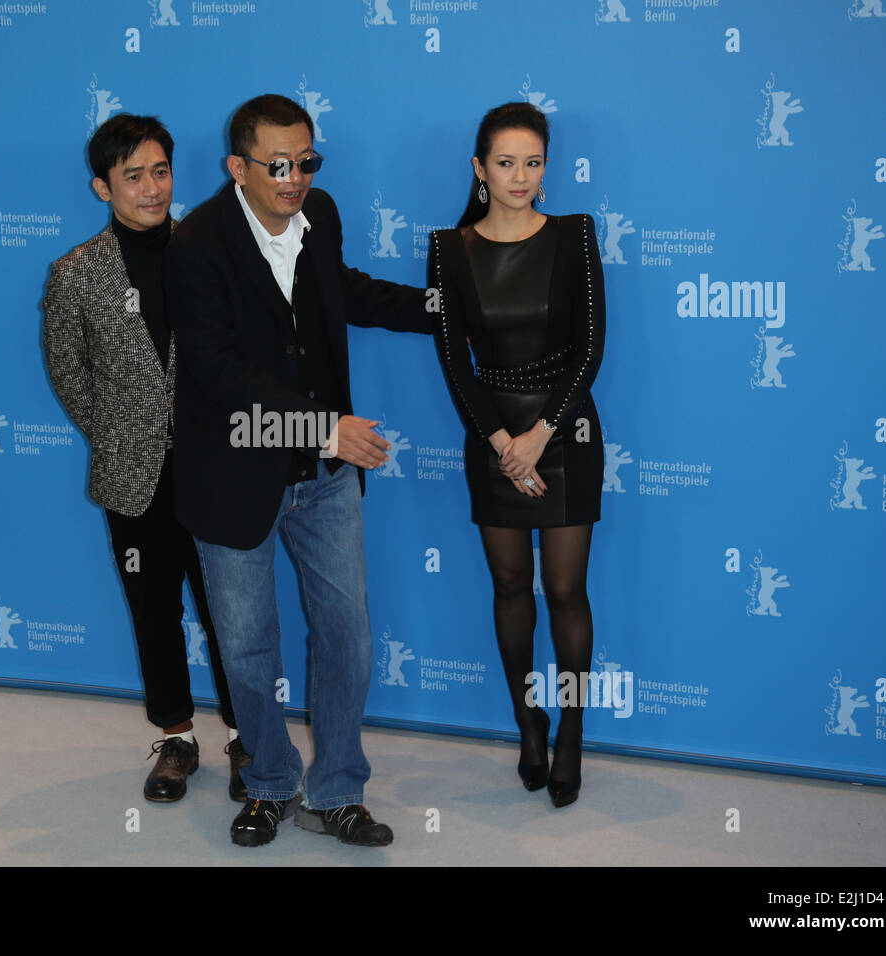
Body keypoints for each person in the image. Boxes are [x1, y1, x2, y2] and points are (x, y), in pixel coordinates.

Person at [166, 94, 431, 847]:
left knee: (347, 634)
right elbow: (218, 371)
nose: (295, 178)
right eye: (278, 165)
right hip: (235, 474)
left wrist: (442, 306)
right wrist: (324, 426)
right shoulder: (197, 244)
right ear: (237, 167)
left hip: (324, 477)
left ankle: (338, 790)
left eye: (307, 162)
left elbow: (339, 290)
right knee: (248, 647)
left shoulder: (323, 217)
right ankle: (272, 783)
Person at [41, 114, 247, 805]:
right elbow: (68, 369)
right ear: (103, 187)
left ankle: (251, 738)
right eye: (134, 176)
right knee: (153, 609)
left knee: (233, 614)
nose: (152, 188)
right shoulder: (75, 274)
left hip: (216, 471)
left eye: (161, 171)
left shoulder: (212, 251)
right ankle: (177, 738)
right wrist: (121, 433)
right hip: (134, 479)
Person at [429, 102, 606, 808]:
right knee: (510, 589)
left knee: (565, 591)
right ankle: (525, 721)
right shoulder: (450, 249)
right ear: (479, 169)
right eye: (506, 162)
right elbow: (453, 360)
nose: (521, 176)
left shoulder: (573, 236)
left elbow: (590, 348)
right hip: (492, 436)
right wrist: (504, 444)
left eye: (533, 162)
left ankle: (570, 729)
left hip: (566, 435)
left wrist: (540, 436)